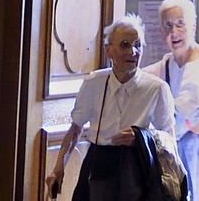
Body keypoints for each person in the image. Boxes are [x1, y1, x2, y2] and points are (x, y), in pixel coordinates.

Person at [49, 17, 174, 201]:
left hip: (137, 167)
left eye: (138, 45)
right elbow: (75, 129)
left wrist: (140, 137)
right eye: (125, 45)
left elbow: (169, 137)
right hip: (99, 162)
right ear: (109, 50)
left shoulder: (156, 88)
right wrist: (59, 167)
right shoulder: (93, 83)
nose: (133, 51)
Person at [156, 0, 199, 201]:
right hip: (174, 154)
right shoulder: (166, 65)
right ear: (161, 33)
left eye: (180, 24)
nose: (174, 32)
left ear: (193, 27)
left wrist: (187, 121)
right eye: (168, 26)